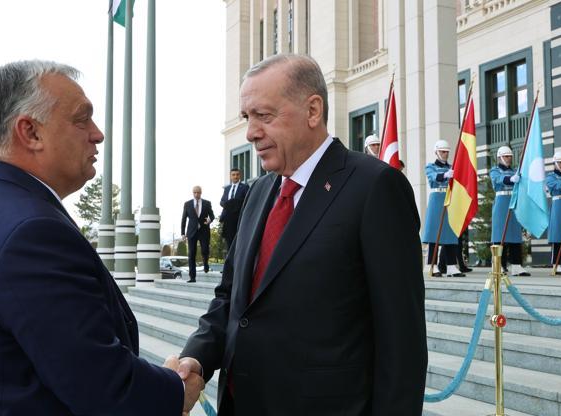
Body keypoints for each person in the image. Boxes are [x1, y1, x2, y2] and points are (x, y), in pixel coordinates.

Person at [0, 60, 203, 415]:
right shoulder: (32, 233)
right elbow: (104, 387)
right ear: (30, 133)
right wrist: (176, 390)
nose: (98, 134)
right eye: (82, 119)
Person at [175, 54, 427, 415]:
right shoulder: (258, 192)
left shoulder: (376, 187)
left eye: (264, 115)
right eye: (247, 118)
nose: (251, 133)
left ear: (313, 110)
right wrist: (197, 357)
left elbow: (402, 340)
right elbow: (230, 298)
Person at [422, 140, 465, 277]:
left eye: (446, 152)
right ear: (436, 152)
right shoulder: (430, 166)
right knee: (434, 233)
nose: (445, 154)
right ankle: (431, 265)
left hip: (450, 199)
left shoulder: (452, 167)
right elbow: (433, 177)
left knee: (450, 233)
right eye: (442, 151)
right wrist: (445, 175)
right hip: (437, 199)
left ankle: (451, 266)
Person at [489, 146, 530, 276]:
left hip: (513, 202)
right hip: (501, 202)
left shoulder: (514, 171)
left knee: (514, 234)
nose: (508, 158)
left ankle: (516, 265)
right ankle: (499, 265)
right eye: (506, 156)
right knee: (499, 234)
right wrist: (511, 179)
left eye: (510, 156)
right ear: (500, 157)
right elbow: (498, 179)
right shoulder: (495, 170)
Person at [181, 186, 215, 282]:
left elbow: (212, 215)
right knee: (191, 254)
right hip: (191, 232)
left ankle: (205, 263)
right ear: (193, 193)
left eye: (198, 192)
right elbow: (184, 219)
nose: (196, 194)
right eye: (195, 192)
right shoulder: (187, 204)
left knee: (205, 250)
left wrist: (209, 220)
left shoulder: (207, 203)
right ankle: (192, 277)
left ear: (201, 193)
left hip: (204, 231)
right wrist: (183, 233)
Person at [219, 168, 249, 248]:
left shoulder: (245, 187)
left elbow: (247, 201)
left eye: (237, 175)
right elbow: (222, 201)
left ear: (240, 176)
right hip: (227, 219)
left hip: (239, 218)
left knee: (238, 242)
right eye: (233, 175)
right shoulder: (227, 189)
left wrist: (234, 204)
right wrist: (228, 205)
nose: (235, 176)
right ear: (230, 176)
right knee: (228, 242)